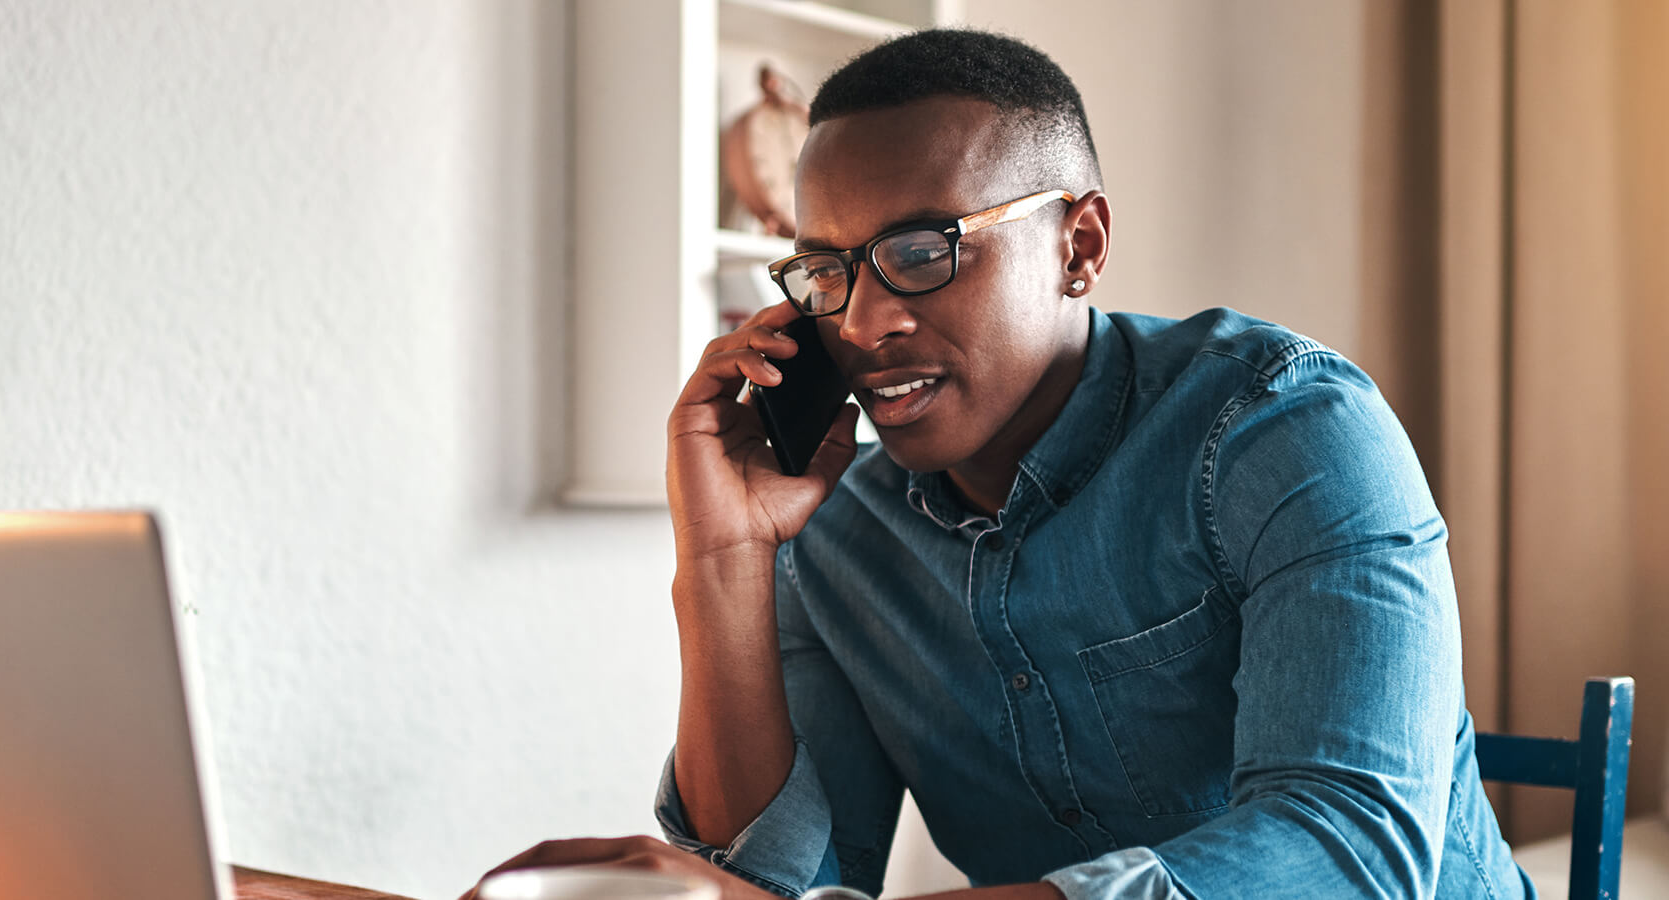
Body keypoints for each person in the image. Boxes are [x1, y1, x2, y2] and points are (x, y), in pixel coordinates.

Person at [469, 28, 1532, 900]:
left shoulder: (1286, 428)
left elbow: (1351, 855)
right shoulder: (836, 531)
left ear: (1080, 247)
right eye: (827, 268)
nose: (866, 319)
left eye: (924, 252)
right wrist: (723, 562)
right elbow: (777, 882)